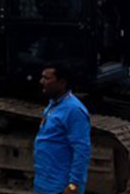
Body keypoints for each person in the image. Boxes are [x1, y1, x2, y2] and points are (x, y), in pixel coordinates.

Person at [34, 65, 91, 194]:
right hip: (44, 184)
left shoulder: (73, 110)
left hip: (60, 186)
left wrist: (73, 185)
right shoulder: (52, 105)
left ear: (62, 83)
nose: (41, 82)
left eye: (46, 78)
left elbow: (82, 150)